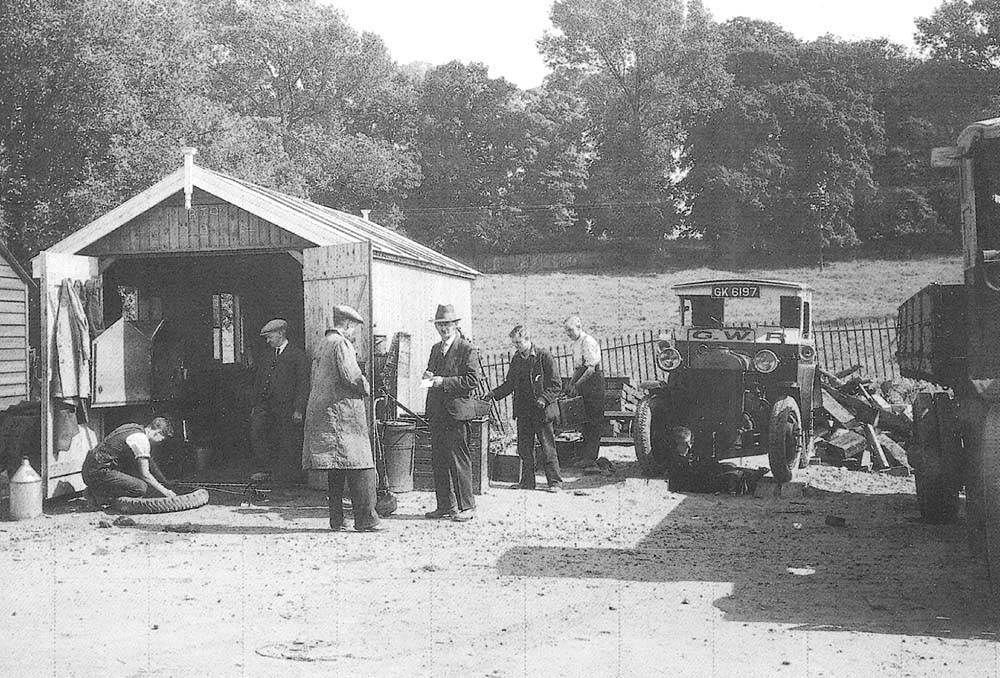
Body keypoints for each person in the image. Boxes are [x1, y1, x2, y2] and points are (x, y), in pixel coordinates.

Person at [302, 305, 383, 532]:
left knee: (336, 467)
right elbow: (351, 376)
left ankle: (337, 520)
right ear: (347, 324)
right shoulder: (341, 344)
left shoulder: (322, 343)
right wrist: (368, 387)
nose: (354, 332)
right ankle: (366, 520)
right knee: (361, 464)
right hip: (343, 415)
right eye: (354, 328)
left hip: (324, 414)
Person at [423, 303, 482, 522]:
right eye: (441, 324)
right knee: (438, 461)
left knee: (459, 460)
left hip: (456, 414)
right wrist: (428, 377)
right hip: (437, 414)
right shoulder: (435, 349)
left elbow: (472, 380)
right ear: (436, 326)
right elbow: (431, 376)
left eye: (448, 324)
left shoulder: (466, 349)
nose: (444, 328)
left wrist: (444, 382)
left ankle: (467, 507)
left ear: (456, 325)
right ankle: (445, 506)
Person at [489, 325, 564, 492]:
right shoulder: (517, 359)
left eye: (519, 343)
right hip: (523, 411)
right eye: (514, 343)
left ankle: (555, 482)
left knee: (547, 447)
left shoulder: (544, 356)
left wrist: (544, 398)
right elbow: (510, 384)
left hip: (542, 412)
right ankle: (527, 482)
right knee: (524, 449)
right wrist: (494, 393)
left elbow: (556, 384)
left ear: (527, 339)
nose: (516, 346)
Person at [250, 318, 309, 485]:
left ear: (281, 333)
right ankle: (267, 470)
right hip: (266, 406)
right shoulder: (267, 355)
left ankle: (287, 479)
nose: (268, 341)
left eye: (270, 337)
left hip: (287, 408)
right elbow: (259, 381)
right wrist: (256, 405)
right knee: (259, 433)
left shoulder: (297, 355)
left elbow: (303, 384)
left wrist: (298, 409)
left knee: (287, 441)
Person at [82, 417, 176, 506]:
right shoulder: (142, 439)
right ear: (158, 433)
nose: (160, 442)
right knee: (141, 488)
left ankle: (96, 490)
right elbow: (145, 474)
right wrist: (166, 492)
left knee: (137, 479)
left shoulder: (133, 428)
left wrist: (165, 481)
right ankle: (97, 495)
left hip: (90, 467)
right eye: (162, 439)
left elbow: (149, 462)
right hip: (98, 472)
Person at [563, 315, 606, 471]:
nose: (568, 334)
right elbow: (578, 368)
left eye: (570, 330)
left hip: (593, 384)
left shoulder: (588, 342)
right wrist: (571, 383)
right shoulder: (575, 344)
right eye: (566, 331)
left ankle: (591, 457)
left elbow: (590, 369)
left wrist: (577, 385)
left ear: (579, 327)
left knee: (594, 421)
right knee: (584, 420)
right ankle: (585, 456)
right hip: (583, 384)